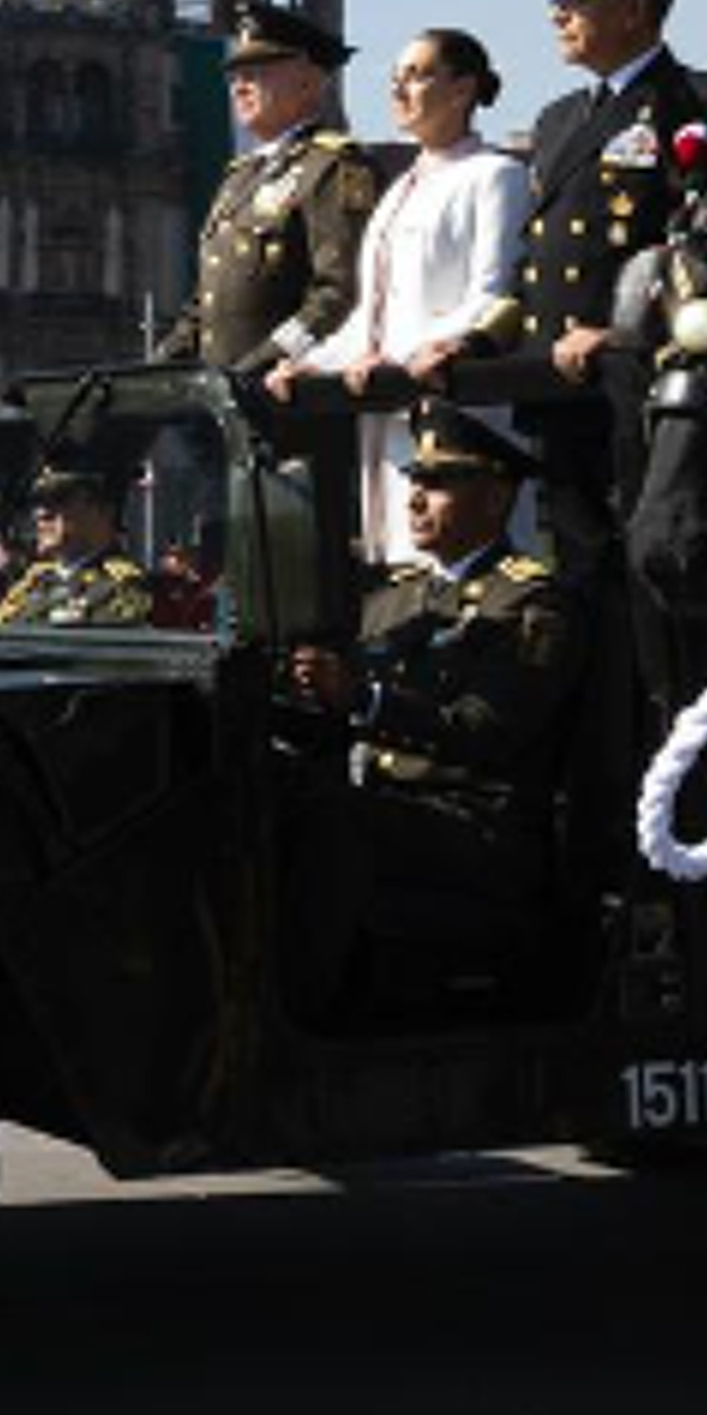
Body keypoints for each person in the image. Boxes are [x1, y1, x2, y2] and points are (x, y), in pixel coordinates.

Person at [424, 0, 707, 561]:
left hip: (644, 389)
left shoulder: (699, 102)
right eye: (556, 0)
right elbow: (535, 263)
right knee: (581, 578)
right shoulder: (558, 120)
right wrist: (479, 339)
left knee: (654, 578)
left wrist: (622, 332)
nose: (558, 14)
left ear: (633, 8)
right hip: (555, 389)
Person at [281, 404, 585, 1017]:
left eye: (440, 483)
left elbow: (484, 732)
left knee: (329, 820)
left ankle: (300, 1012)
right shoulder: (393, 597)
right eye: (415, 481)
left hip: (476, 824)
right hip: (396, 812)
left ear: (496, 499)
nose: (416, 499)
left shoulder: (529, 601)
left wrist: (364, 698)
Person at [268, 27, 530, 558]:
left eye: (416, 75)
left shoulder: (496, 175)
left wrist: (400, 356)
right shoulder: (399, 191)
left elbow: (492, 294)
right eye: (395, 77)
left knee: (463, 559)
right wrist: (314, 362)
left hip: (456, 411)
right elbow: (371, 315)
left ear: (462, 89)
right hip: (386, 406)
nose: (398, 89)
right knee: (400, 563)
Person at [160, 5, 377, 371]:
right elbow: (206, 303)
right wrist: (161, 364)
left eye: (256, 73)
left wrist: (264, 363)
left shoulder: (333, 167)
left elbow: (338, 293)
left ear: (308, 82)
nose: (239, 86)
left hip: (288, 390)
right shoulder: (241, 176)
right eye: (235, 75)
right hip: (224, 393)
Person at [0, 459, 152, 626]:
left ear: (103, 513)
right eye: (37, 503)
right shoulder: (32, 582)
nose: (40, 514)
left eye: (59, 500)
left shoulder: (123, 585)